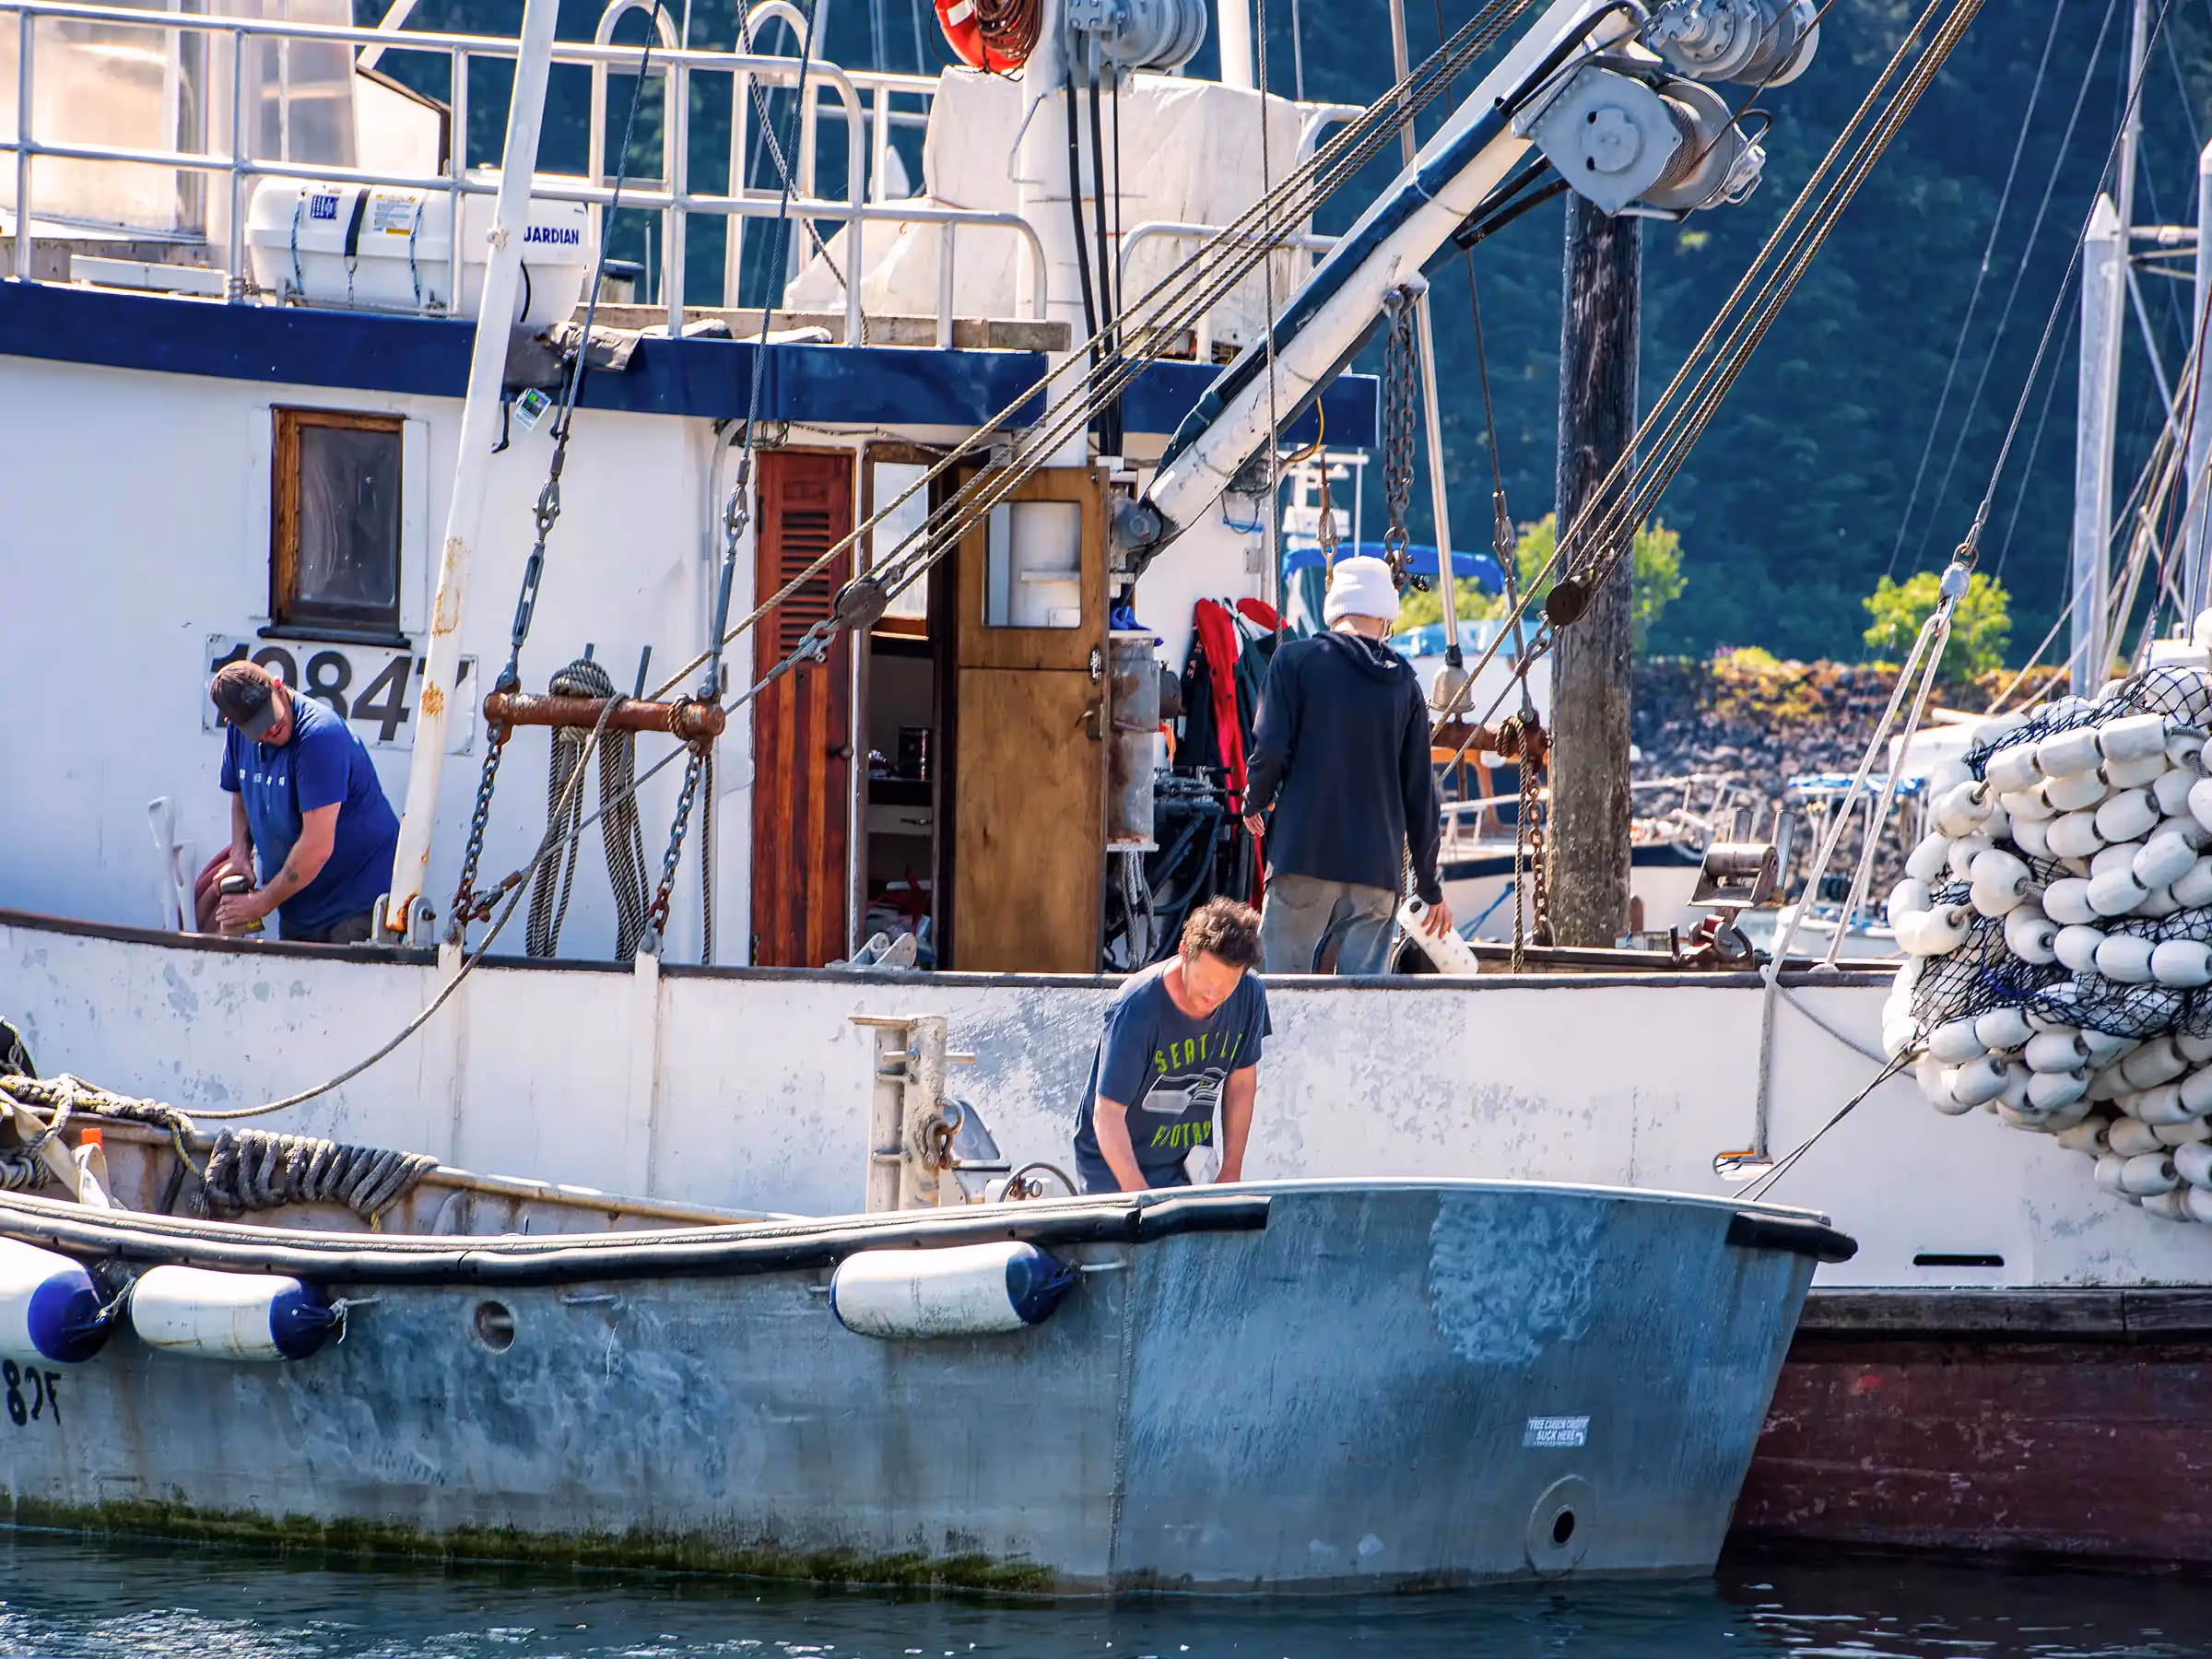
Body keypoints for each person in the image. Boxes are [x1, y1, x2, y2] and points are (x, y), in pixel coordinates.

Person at [1242, 553, 1452, 974]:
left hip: (1302, 855)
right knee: (1362, 1006)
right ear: (1386, 615)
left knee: (1281, 994)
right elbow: (1420, 795)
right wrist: (1429, 887)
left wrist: (1256, 799)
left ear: (1335, 608)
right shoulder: (1406, 685)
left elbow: (1270, 747)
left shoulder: (1292, 661)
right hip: (1377, 871)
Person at [1072, 898, 1268, 1194]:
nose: (1213, 994)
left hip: (1186, 1163)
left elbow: (1241, 1083)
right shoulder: (1137, 1007)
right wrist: (1136, 1193)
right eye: (1205, 979)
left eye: (1228, 984)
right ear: (1183, 953)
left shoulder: (1250, 993)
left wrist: (1231, 1170)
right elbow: (1108, 1112)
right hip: (1114, 1165)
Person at [197, 660, 401, 944]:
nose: (271, 729)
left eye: (272, 715)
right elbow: (242, 793)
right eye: (259, 727)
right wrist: (240, 855)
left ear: (279, 687)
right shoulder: (239, 735)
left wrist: (261, 903)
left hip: (357, 900)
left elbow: (316, 847)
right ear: (236, 725)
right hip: (299, 903)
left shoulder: (320, 737)